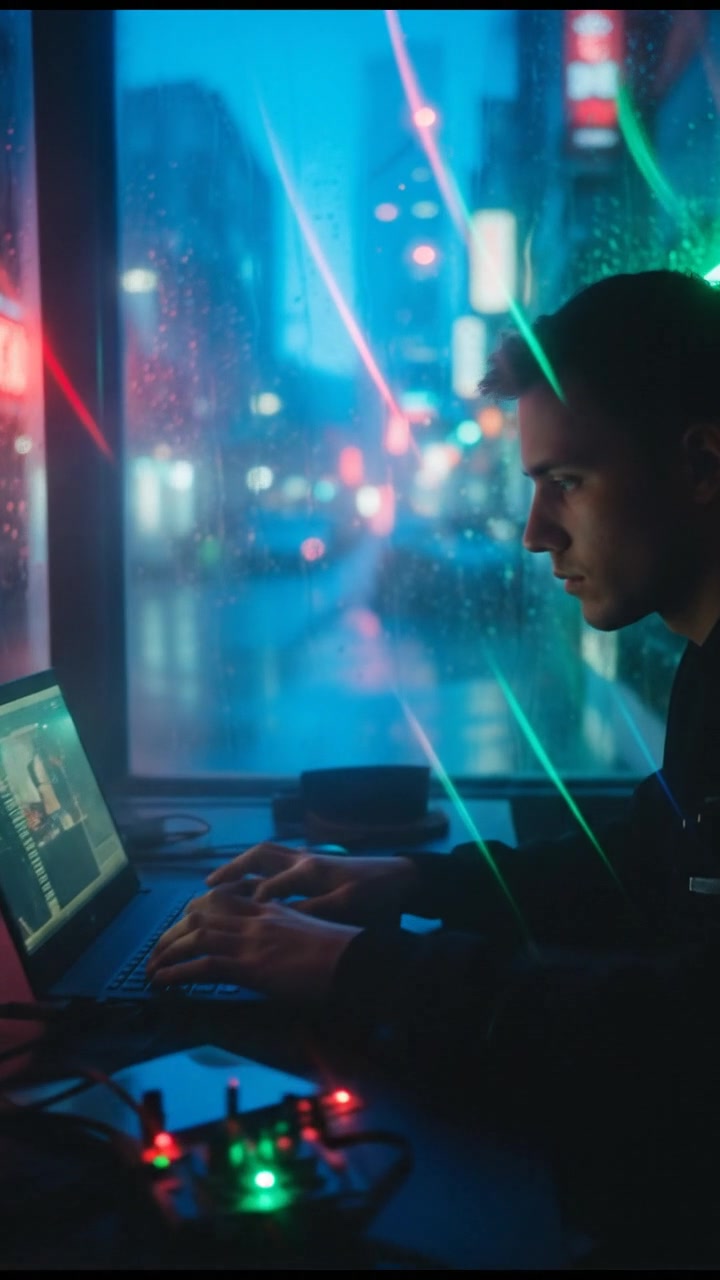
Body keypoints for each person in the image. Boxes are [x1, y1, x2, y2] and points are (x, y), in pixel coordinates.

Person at [147, 270, 720, 1257]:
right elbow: (645, 867)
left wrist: (348, 962)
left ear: (703, 464)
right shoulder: (706, 674)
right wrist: (407, 878)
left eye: (568, 481)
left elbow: (682, 1034)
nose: (538, 533)